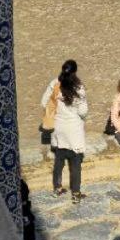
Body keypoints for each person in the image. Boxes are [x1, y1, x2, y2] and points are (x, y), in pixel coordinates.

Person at [42, 60, 88, 204]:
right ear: (75, 71)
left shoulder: (54, 83)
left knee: (59, 161)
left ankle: (57, 188)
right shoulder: (78, 87)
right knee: (75, 164)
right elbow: (83, 112)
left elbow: (44, 102)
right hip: (73, 131)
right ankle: (76, 193)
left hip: (58, 129)